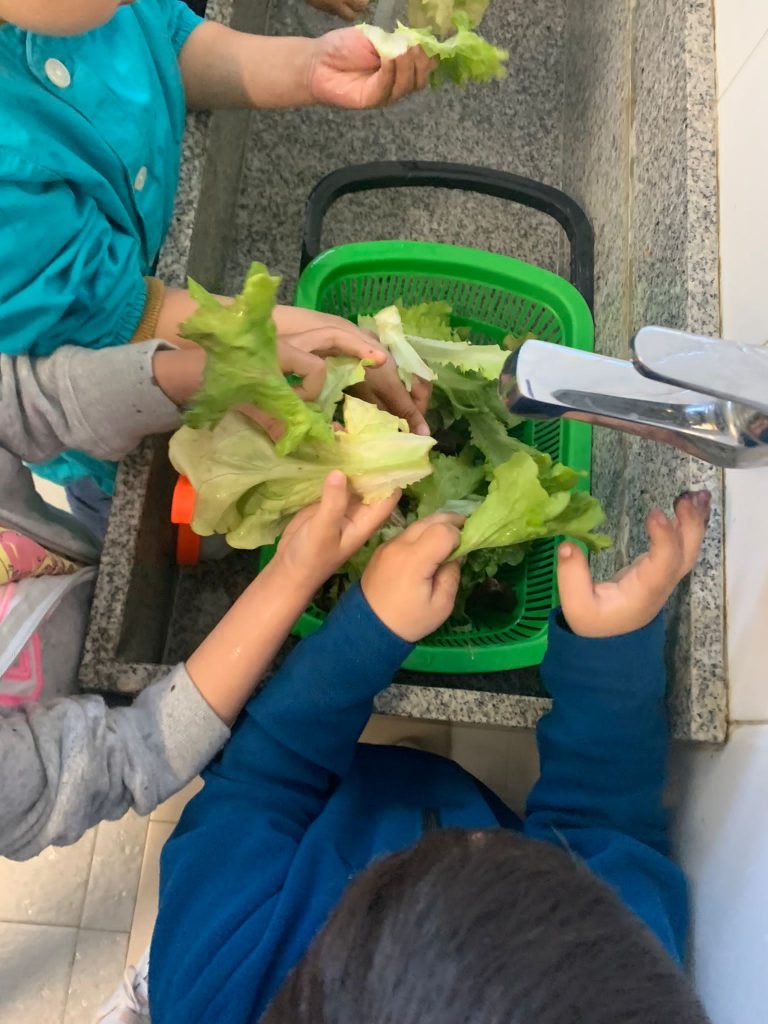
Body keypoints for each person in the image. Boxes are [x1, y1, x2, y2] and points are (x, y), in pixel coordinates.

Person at [145, 490, 713, 1022]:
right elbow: (601, 823)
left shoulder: (207, 986)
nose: (475, 838)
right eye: (493, 856)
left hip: (312, 812)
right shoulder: (612, 980)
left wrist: (368, 630)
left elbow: (263, 778)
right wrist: (608, 655)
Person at [0, 0, 433, 536]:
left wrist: (308, 66)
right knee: (162, 517)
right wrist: (316, 336)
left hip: (139, 297)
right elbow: (113, 325)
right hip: (107, 414)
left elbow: (170, 42)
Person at [0, 338, 398, 861]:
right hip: (105, 692)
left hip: (72, 570)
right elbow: (135, 752)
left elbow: (29, 398)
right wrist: (292, 573)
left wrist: (206, 372)